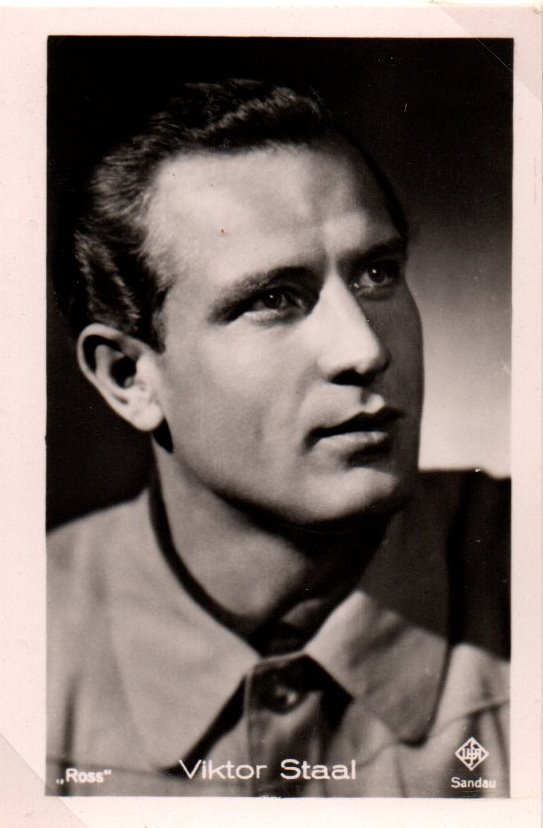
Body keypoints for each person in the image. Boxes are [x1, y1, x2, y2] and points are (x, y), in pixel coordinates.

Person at [47, 79, 510, 797]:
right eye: (272, 299)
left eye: (377, 274)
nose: (363, 349)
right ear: (129, 377)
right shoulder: (27, 639)